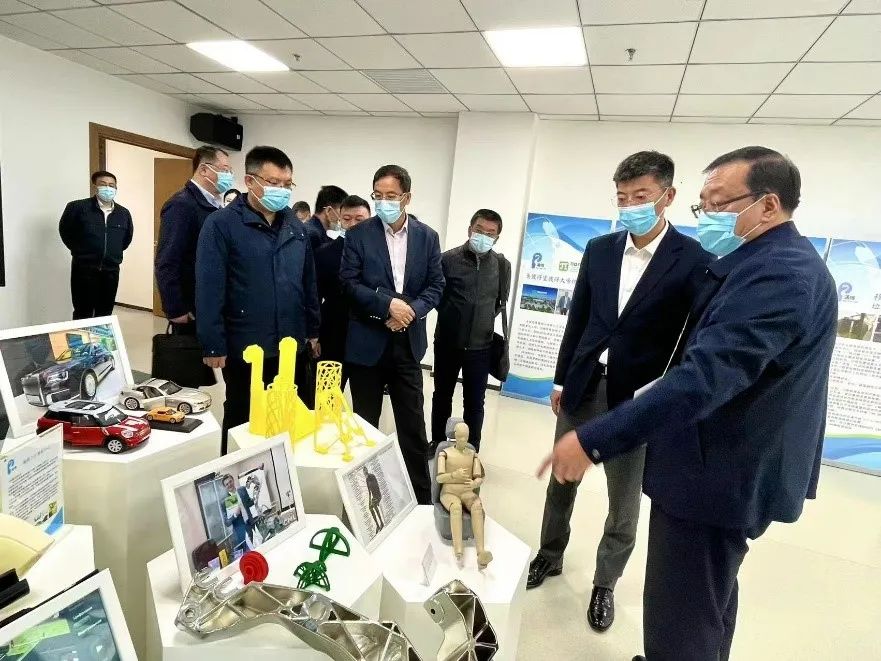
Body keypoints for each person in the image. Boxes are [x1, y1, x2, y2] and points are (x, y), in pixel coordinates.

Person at [539, 147, 837, 661]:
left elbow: (704, 376)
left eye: (719, 203)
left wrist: (593, 440)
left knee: (680, 615)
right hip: (711, 464)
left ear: (768, 205)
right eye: (705, 205)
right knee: (708, 600)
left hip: (715, 472)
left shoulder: (778, 274)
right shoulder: (761, 262)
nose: (708, 216)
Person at [527, 151, 714, 637]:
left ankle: (604, 583)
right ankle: (549, 554)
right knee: (561, 481)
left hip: (636, 399)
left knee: (623, 500)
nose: (630, 206)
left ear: (668, 197)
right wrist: (561, 379)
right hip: (584, 384)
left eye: (640, 196)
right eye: (622, 197)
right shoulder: (600, 249)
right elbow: (579, 319)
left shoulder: (694, 260)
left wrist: (664, 398)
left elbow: (692, 340)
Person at [196, 146, 320, 454]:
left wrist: (312, 330)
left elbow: (308, 283)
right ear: (250, 181)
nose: (281, 190)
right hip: (245, 342)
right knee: (243, 414)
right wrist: (213, 343)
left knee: (287, 413)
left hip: (290, 341)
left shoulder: (296, 227)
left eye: (287, 184)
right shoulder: (221, 224)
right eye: (273, 182)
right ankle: (233, 474)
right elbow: (209, 287)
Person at [340, 164, 444, 505]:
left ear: (406, 198)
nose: (384, 202)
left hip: (407, 345)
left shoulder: (427, 237)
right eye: (378, 195)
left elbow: (436, 285)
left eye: (391, 196)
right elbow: (348, 284)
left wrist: (409, 312)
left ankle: (422, 501)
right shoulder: (359, 235)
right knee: (365, 427)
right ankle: (362, 502)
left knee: (413, 427)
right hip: (367, 343)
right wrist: (388, 306)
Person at [431, 209, 510, 453]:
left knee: (475, 402)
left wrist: (480, 321)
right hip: (447, 342)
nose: (484, 236)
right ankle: (437, 441)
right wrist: (454, 317)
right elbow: (436, 296)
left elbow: (499, 302)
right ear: (469, 229)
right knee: (441, 395)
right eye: (479, 230)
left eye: (490, 233)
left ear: (496, 238)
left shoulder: (501, 265)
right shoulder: (447, 260)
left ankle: (473, 447)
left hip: (481, 347)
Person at [156, 145, 233, 333]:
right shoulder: (181, 205)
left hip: (213, 304)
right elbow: (167, 261)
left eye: (230, 171)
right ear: (204, 169)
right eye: (225, 170)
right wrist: (176, 309)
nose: (229, 176)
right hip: (191, 309)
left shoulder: (215, 205)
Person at [59, 170, 133, 320]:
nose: (108, 188)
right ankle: (81, 336)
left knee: (105, 313)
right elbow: (65, 231)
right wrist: (80, 251)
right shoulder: (78, 208)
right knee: (82, 312)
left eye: (111, 185)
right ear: (95, 186)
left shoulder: (123, 213)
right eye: (103, 184)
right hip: (84, 270)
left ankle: (101, 337)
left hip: (111, 271)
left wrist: (111, 254)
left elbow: (126, 239)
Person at [314, 195, 371, 388]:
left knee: (365, 400)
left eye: (359, 219)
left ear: (370, 220)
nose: (353, 224)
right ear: (340, 219)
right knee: (326, 396)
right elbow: (314, 297)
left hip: (368, 338)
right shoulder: (324, 253)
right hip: (332, 335)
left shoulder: (379, 255)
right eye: (347, 219)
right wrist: (315, 335)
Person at [304, 185, 347, 252]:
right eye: (342, 212)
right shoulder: (313, 236)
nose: (343, 218)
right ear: (328, 211)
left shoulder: (316, 231)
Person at [221, 474, 255, 550]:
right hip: (240, 531)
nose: (229, 485)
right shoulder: (224, 502)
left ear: (233, 480)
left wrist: (255, 498)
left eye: (230, 481)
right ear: (225, 487)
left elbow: (249, 503)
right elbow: (227, 523)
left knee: (258, 545)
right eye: (227, 484)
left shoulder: (242, 490)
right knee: (249, 551)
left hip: (250, 523)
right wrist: (235, 515)